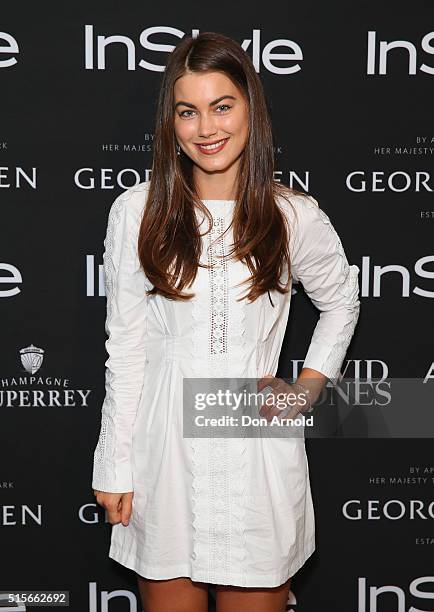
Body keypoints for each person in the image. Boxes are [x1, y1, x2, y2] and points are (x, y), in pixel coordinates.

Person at [92, 31, 360, 612]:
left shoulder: (294, 216)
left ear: (250, 109)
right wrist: (114, 463)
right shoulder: (136, 211)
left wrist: (307, 390)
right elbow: (127, 347)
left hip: (256, 455)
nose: (206, 128)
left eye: (222, 106)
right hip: (162, 454)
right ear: (171, 122)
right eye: (188, 111)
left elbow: (342, 300)